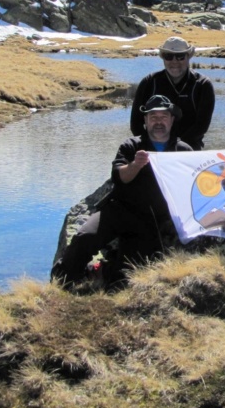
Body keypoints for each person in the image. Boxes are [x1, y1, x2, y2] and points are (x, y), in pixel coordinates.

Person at [52, 95, 193, 288]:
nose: (158, 121)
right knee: (84, 237)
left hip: (150, 221)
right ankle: (61, 281)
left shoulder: (184, 150)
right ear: (145, 121)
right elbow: (120, 177)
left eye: (163, 117)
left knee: (126, 277)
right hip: (117, 210)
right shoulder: (131, 146)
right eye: (153, 117)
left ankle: (101, 270)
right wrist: (135, 165)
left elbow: (193, 186)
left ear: (171, 120)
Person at [131, 36, 215, 150]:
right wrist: (150, 146)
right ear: (163, 58)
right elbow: (136, 123)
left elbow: (201, 126)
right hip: (153, 150)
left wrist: (177, 147)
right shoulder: (149, 82)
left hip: (189, 149)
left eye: (180, 56)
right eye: (169, 56)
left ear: (188, 57)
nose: (174, 61)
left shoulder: (203, 84)